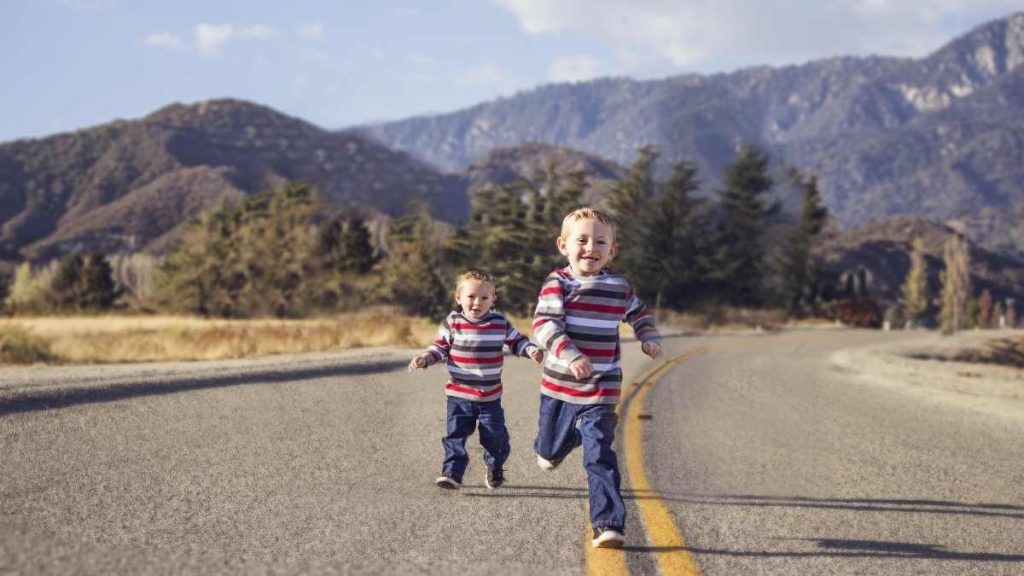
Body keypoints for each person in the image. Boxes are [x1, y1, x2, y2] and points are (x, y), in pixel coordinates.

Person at [532, 207, 662, 549]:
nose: (591, 247)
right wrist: (570, 354)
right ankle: (559, 443)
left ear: (612, 250)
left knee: (600, 454)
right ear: (563, 245)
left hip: (602, 389)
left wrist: (648, 336)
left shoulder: (618, 287)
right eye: (582, 240)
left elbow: (639, 313)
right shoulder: (557, 283)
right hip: (559, 387)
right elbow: (544, 326)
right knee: (546, 452)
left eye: (600, 241)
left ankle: (607, 524)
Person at [409, 269, 544, 490]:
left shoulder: (499, 321)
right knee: (455, 436)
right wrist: (425, 359)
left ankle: (495, 465)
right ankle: (452, 472)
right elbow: (440, 347)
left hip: (489, 397)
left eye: (484, 298)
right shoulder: (453, 323)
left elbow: (516, 341)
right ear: (458, 297)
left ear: (493, 299)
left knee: (495, 437)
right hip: (458, 395)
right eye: (471, 297)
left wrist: (530, 350)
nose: (477, 303)